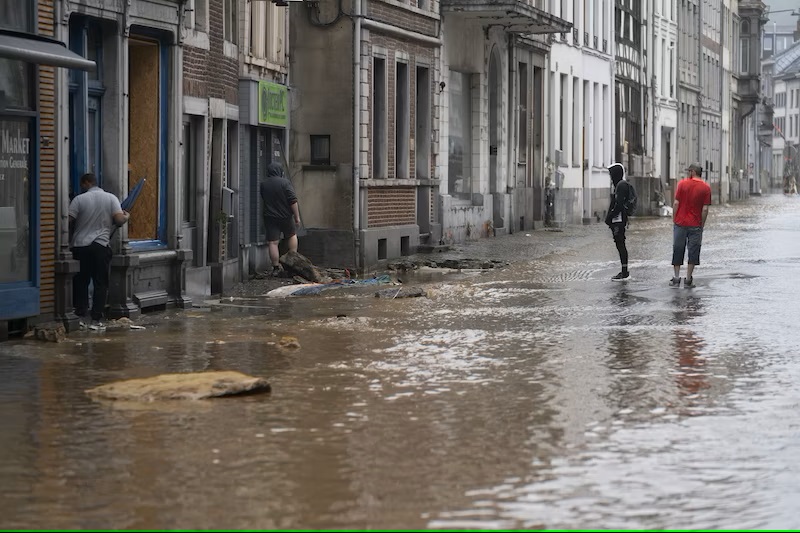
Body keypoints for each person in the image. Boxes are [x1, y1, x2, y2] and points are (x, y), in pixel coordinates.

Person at [69, 173, 130, 329]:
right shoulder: (111, 198)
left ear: (86, 183)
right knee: (100, 282)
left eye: (82, 184)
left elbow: (68, 220)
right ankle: (97, 315)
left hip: (80, 245)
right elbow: (118, 220)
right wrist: (126, 217)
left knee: (81, 280)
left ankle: (81, 311)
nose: (81, 187)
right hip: (100, 246)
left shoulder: (79, 200)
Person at [671, 163, 712, 288]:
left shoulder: (682, 184)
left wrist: (674, 219)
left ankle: (677, 277)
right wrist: (701, 224)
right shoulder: (706, 188)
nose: (687, 173)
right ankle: (688, 279)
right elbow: (705, 209)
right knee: (693, 251)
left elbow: (676, 203)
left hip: (680, 223)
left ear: (693, 172)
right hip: (695, 224)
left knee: (678, 248)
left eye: (689, 171)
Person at [259, 162, 301, 276]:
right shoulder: (285, 183)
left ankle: (276, 267)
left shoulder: (263, 184)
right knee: (291, 236)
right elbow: (293, 201)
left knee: (273, 243)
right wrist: (297, 217)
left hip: (270, 217)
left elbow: (264, 198)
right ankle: (293, 263)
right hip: (285, 216)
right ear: (280, 171)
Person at [605, 163, 633, 281]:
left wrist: (610, 217)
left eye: (611, 174)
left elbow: (618, 205)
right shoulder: (619, 185)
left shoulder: (620, 186)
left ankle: (625, 272)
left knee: (620, 244)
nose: (610, 177)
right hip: (619, 219)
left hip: (619, 220)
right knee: (620, 244)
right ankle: (624, 270)